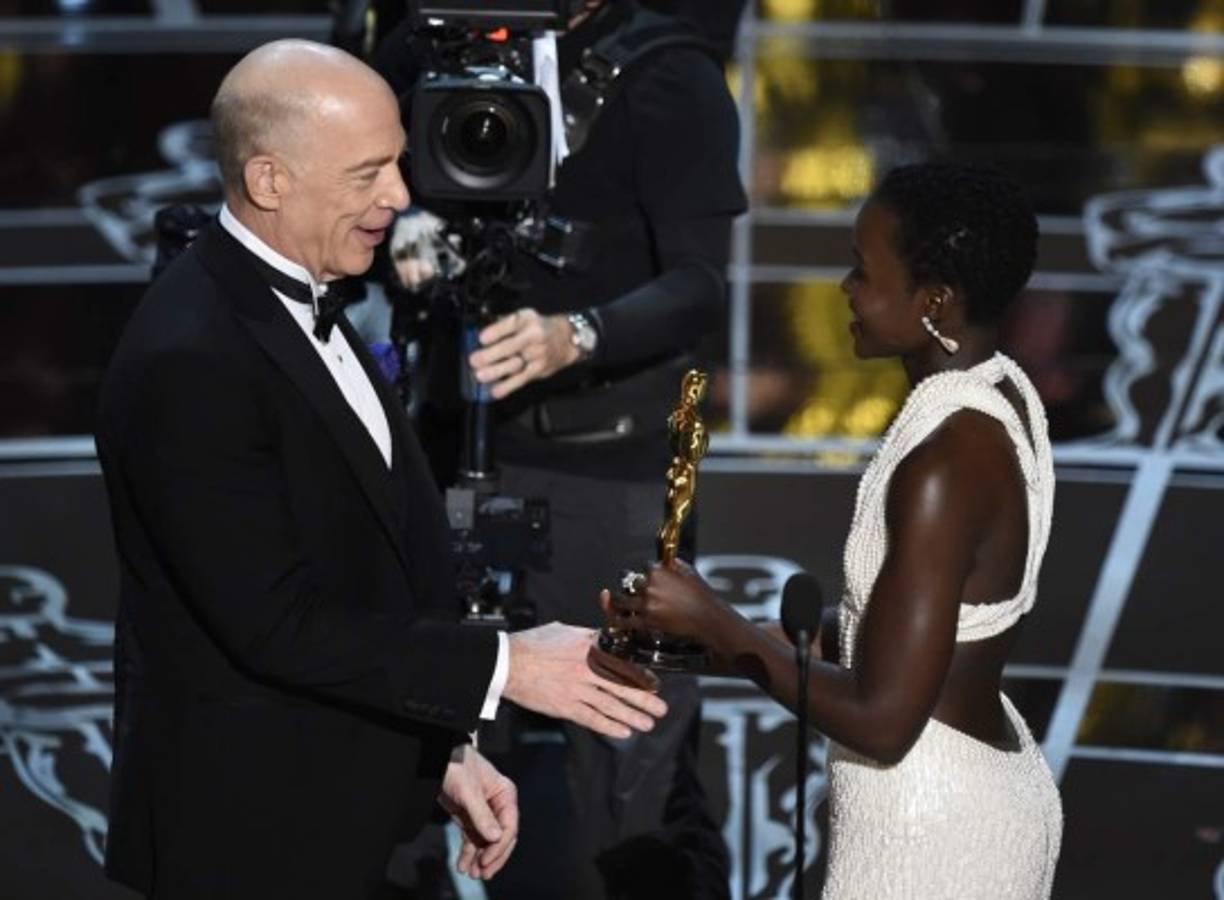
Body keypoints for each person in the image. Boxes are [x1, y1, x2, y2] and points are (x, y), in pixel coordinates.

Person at [95, 39, 668, 900]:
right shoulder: (191, 357)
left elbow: (361, 567)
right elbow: (276, 624)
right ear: (268, 181)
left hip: (332, 821)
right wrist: (507, 663)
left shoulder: (307, 301)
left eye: (398, 163)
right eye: (368, 174)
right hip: (243, 847)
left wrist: (441, 752)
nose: (400, 198)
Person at [604, 162, 1063, 898]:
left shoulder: (947, 460)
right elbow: (886, 635)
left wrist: (720, 623)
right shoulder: (999, 394)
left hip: (930, 826)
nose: (845, 291)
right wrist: (699, 639)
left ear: (934, 301)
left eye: (862, 271)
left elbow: (883, 720)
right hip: (973, 791)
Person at [376, 2, 746, 896]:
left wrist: (576, 334)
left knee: (630, 750)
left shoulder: (666, 74)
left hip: (603, 470)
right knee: (402, 722)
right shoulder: (416, 48)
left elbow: (698, 284)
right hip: (438, 444)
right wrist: (392, 225)